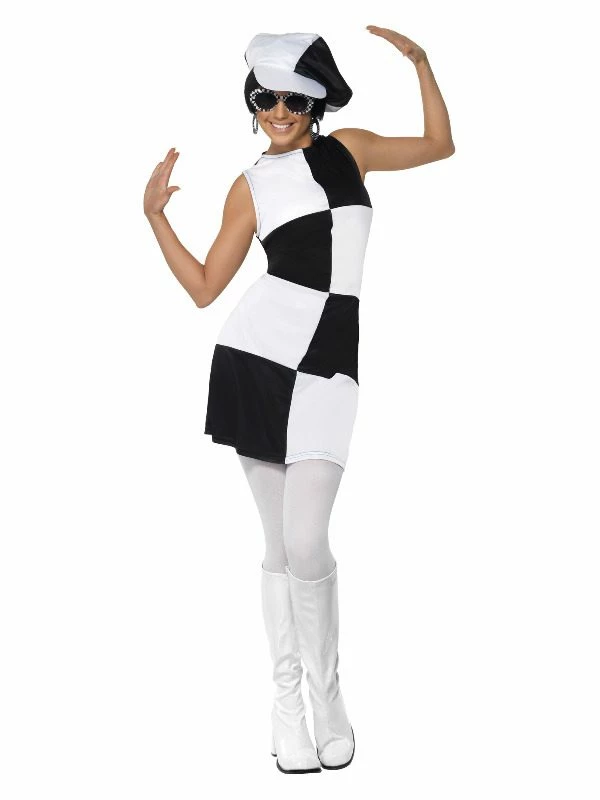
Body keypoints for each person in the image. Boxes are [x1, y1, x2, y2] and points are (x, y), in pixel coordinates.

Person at [144, 26, 455, 774]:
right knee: (282, 546)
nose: (278, 112)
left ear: (313, 101)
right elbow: (205, 289)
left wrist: (422, 64)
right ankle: (288, 711)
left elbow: (439, 146)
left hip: (331, 366)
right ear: (252, 104)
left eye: (291, 98)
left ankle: (330, 700)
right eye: (265, 99)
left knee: (308, 542)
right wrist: (155, 217)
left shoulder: (350, 149)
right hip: (257, 358)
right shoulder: (249, 185)